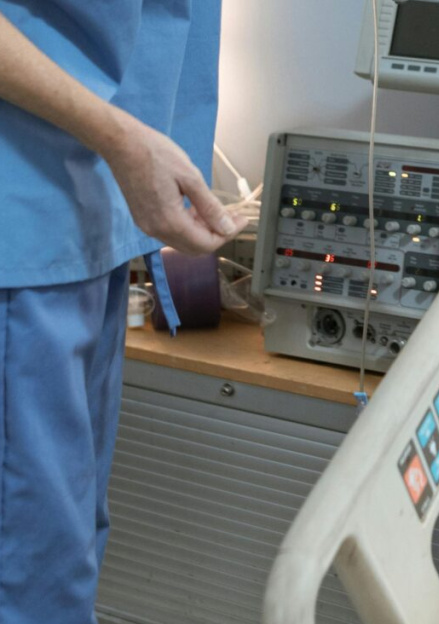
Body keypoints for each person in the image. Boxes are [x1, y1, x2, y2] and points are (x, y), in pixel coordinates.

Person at [0, 2, 245, 621]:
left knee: (66, 548)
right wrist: (117, 137)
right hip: (23, 224)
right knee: (28, 573)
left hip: (84, 222)